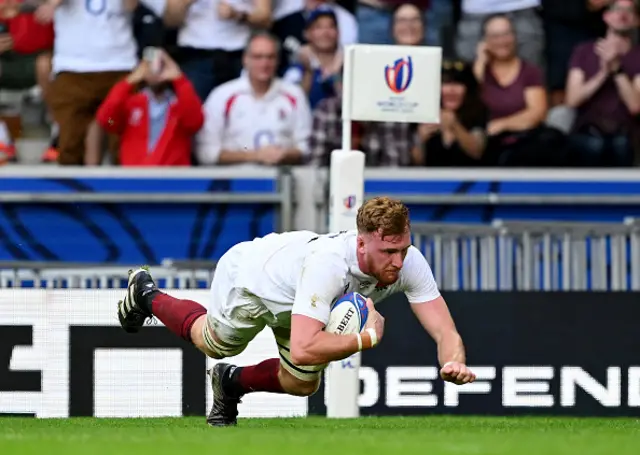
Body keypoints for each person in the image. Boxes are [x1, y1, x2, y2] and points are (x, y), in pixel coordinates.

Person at [117, 196, 477, 427]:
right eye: (388, 252)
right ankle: (146, 294)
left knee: (302, 382)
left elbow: (446, 331)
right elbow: (306, 348)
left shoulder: (409, 262)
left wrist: (454, 361)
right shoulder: (331, 265)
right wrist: (365, 338)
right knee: (214, 344)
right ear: (361, 241)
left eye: (403, 249)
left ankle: (229, 383)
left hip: (302, 300)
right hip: (254, 280)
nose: (397, 262)